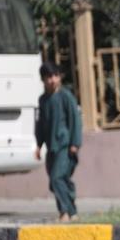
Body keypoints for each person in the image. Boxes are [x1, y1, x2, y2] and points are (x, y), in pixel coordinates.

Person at [35, 62, 82, 222]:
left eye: (55, 76)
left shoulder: (66, 96)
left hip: (65, 145)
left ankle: (65, 213)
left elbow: (75, 120)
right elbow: (41, 124)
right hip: (51, 147)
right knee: (57, 180)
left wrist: (75, 143)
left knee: (56, 178)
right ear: (43, 79)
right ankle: (72, 212)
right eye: (49, 77)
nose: (53, 80)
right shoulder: (43, 100)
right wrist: (39, 144)